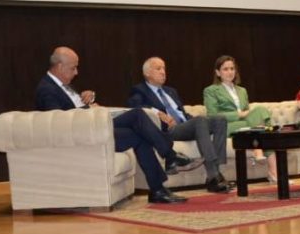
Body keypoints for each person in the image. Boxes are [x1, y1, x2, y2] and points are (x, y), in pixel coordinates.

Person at [35, 47, 202, 204]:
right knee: (137, 115)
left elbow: (73, 106)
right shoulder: (47, 89)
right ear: (59, 66)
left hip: (95, 125)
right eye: (73, 68)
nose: (76, 72)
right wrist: (88, 109)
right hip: (85, 133)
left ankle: (157, 190)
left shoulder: (62, 85)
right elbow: (59, 122)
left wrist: (88, 99)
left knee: (140, 135)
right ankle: (170, 155)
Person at [127, 57, 232, 193]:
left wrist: (195, 120)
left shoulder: (170, 91)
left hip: (185, 125)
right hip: (169, 130)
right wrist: (157, 112)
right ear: (147, 73)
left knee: (220, 120)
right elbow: (135, 106)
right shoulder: (139, 90)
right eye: (158, 69)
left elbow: (182, 113)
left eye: (164, 68)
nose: (163, 72)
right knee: (200, 121)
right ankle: (214, 176)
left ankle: (215, 172)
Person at [202, 55, 277, 175]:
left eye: (232, 68)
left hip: (245, 125)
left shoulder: (242, 91)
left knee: (260, 111)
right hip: (226, 126)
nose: (230, 72)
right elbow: (213, 116)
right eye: (225, 69)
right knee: (262, 129)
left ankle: (268, 164)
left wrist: (246, 115)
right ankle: (272, 170)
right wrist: (239, 114)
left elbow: (250, 114)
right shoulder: (210, 90)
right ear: (218, 72)